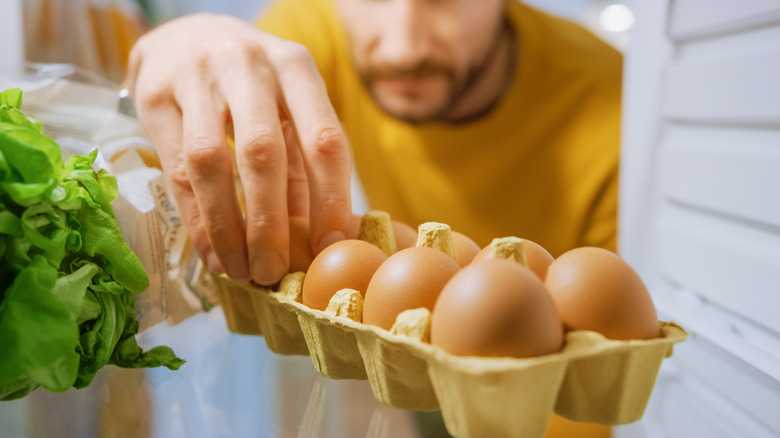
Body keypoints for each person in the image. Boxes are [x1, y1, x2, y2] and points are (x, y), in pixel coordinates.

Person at [127, 0, 621, 436]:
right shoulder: (314, 31)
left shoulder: (614, 110)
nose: (402, 48)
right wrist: (178, 42)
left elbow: (600, 374)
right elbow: (220, 137)